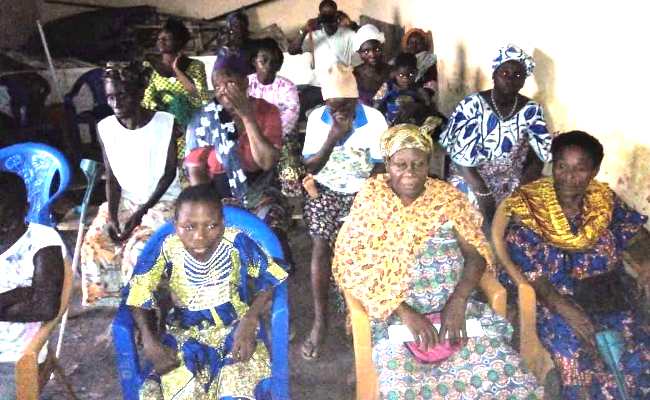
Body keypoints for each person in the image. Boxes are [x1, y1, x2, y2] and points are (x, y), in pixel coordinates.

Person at [332, 124, 545, 399]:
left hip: (456, 314)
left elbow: (475, 255)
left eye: (418, 164)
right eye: (400, 164)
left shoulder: (446, 198)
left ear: (428, 163)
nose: (410, 172)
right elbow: (353, 264)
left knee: (506, 376)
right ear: (387, 163)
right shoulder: (371, 202)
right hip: (394, 319)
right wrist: (405, 312)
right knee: (404, 388)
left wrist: (458, 302)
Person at [502, 131, 650, 399]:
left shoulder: (604, 201)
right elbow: (527, 268)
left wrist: (646, 264)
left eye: (580, 169)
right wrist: (565, 308)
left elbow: (636, 236)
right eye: (562, 166)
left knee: (637, 348)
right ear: (553, 165)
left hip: (609, 293)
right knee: (577, 356)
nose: (569, 176)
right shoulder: (532, 208)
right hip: (555, 298)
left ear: (594, 171)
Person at [126, 184, 288, 399]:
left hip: (235, 330)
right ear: (175, 226)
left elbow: (272, 277)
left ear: (223, 222)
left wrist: (250, 319)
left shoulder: (236, 242)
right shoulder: (166, 248)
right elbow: (138, 290)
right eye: (189, 227)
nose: (200, 236)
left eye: (211, 225)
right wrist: (149, 340)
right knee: (177, 390)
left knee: (240, 387)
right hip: (183, 336)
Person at [300, 62, 387, 360]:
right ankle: (320, 321)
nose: (341, 112)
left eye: (347, 105)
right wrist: (333, 137)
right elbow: (311, 167)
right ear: (326, 102)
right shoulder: (317, 120)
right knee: (321, 245)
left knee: (364, 247)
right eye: (334, 106)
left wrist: (366, 198)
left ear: (356, 98)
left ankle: (359, 317)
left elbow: (380, 167)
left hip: (363, 190)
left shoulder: (374, 119)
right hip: (325, 190)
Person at [81, 62, 182, 306]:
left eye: (122, 95)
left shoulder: (165, 123)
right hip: (124, 200)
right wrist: (113, 215)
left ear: (139, 92)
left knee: (138, 251)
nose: (116, 104)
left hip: (162, 201)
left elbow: (168, 174)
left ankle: (144, 308)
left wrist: (140, 214)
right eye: (110, 97)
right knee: (94, 244)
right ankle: (118, 304)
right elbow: (112, 177)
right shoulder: (106, 128)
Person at [184, 60, 292, 266]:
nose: (223, 91)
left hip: (261, 191)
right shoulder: (205, 119)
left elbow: (266, 162)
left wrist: (247, 116)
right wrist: (209, 206)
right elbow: (196, 169)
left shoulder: (266, 111)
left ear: (244, 83)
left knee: (272, 239)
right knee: (208, 245)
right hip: (217, 195)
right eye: (217, 86)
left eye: (230, 84)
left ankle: (277, 279)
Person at [440, 44, 552, 231]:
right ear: (494, 74)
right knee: (471, 217)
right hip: (471, 176)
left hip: (512, 179)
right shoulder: (472, 105)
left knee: (533, 218)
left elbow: (538, 156)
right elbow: (460, 159)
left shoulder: (532, 110)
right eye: (505, 73)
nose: (510, 79)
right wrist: (484, 194)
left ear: (524, 81)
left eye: (518, 75)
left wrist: (522, 188)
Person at [0, 172, 67, 399]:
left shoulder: (42, 241)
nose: (7, 226)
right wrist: (15, 295)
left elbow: (45, 308)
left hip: (15, 358)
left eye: (10, 216)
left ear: (26, 209)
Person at [247, 38, 303, 199]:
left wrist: (267, 136)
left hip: (281, 138)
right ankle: (252, 199)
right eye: (263, 61)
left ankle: (291, 201)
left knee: (289, 168)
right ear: (254, 62)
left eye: (274, 62)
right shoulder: (245, 84)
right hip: (250, 136)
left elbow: (291, 116)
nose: (268, 66)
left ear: (279, 66)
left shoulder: (287, 87)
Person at [288, 0, 359, 120]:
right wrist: (304, 30)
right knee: (296, 109)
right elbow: (292, 50)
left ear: (336, 14)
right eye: (324, 15)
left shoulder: (348, 34)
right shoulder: (313, 35)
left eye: (331, 14)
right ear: (319, 16)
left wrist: (350, 23)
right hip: (318, 85)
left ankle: (322, 110)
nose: (328, 18)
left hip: (341, 85)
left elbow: (364, 45)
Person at [142, 18, 208, 125]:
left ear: (178, 42)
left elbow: (202, 98)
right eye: (159, 39)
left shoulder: (196, 66)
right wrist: (161, 109)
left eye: (166, 39)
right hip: (162, 122)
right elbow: (147, 100)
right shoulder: (152, 68)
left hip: (190, 121)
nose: (161, 42)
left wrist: (177, 71)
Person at [374, 52, 435, 126]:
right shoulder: (387, 86)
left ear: (416, 72)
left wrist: (417, 106)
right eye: (401, 75)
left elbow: (428, 107)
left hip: (411, 127)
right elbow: (376, 106)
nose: (405, 79)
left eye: (410, 75)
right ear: (395, 73)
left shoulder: (419, 90)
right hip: (389, 126)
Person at [352, 24, 390, 106]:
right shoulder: (354, 74)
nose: (372, 55)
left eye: (377, 49)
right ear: (359, 53)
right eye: (366, 51)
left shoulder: (391, 72)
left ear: (382, 48)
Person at [401, 28, 438, 92]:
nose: (414, 45)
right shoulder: (402, 59)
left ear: (424, 45)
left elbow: (431, 84)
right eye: (411, 42)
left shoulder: (429, 61)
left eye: (418, 43)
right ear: (407, 44)